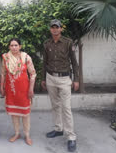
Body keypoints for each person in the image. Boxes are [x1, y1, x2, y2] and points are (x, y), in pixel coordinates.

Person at [41, 19, 79, 152]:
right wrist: (43, 78)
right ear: (50, 29)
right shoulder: (47, 44)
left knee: (66, 108)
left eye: (57, 27)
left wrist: (76, 79)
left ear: (61, 29)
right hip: (51, 78)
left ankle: (71, 137)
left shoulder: (68, 43)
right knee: (55, 105)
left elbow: (74, 62)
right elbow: (44, 62)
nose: (55, 29)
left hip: (64, 79)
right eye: (53, 27)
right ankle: (58, 129)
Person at [0, 38, 36, 146]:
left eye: (16, 45)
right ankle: (16, 133)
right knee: (14, 113)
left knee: (25, 114)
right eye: (12, 45)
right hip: (11, 90)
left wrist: (31, 89)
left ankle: (27, 135)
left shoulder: (26, 57)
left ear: (20, 46)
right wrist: (1, 87)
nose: (14, 47)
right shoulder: (6, 58)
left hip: (24, 90)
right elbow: (3, 73)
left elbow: (33, 74)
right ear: (9, 47)